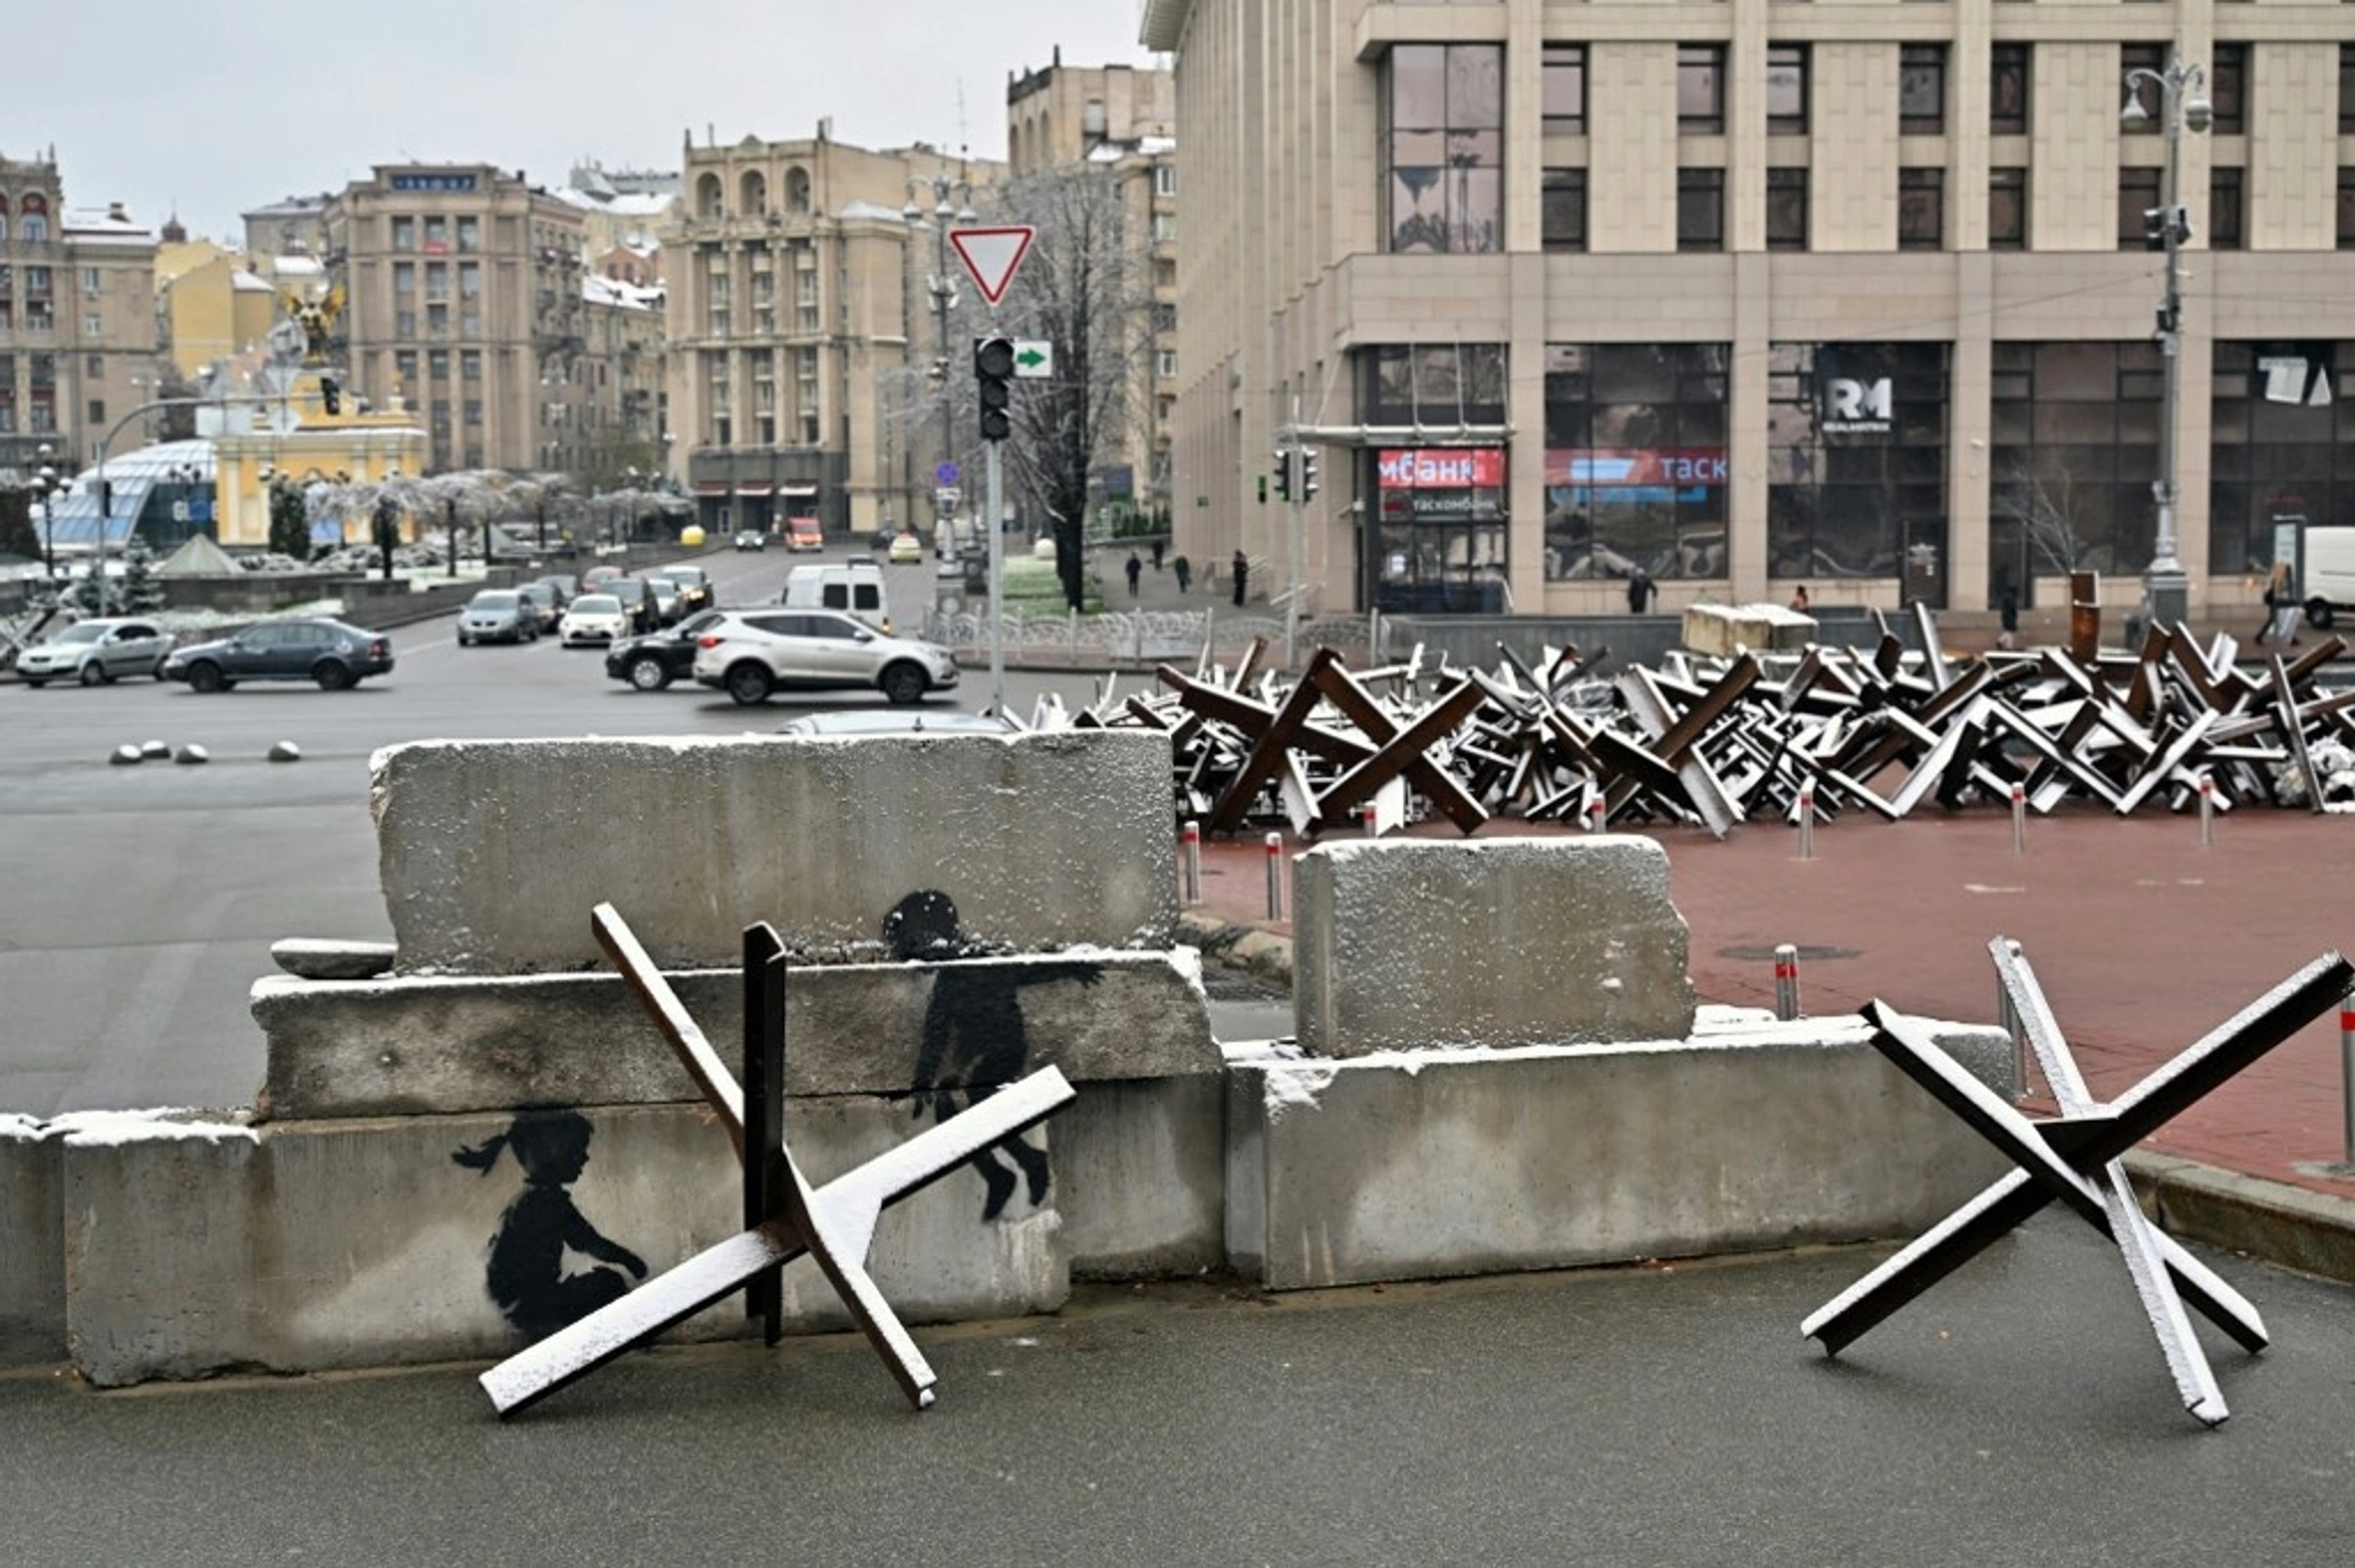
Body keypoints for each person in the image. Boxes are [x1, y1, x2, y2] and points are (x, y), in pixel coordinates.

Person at [2257, 560, 2299, 647]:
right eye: (2288, 571)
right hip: (2275, 603)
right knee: (2275, 620)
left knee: (2282, 619)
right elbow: (2278, 592)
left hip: (2276, 602)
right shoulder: (2278, 579)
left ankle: (2291, 639)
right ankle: (2258, 637)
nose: (2289, 573)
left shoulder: (2278, 579)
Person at [1998, 580, 2020, 651]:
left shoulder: (2006, 598)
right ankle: (2003, 642)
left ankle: (2008, 645)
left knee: (2009, 631)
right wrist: (2015, 615)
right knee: (2010, 631)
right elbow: (2013, 608)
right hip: (2010, 617)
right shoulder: (2011, 599)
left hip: (2005, 616)